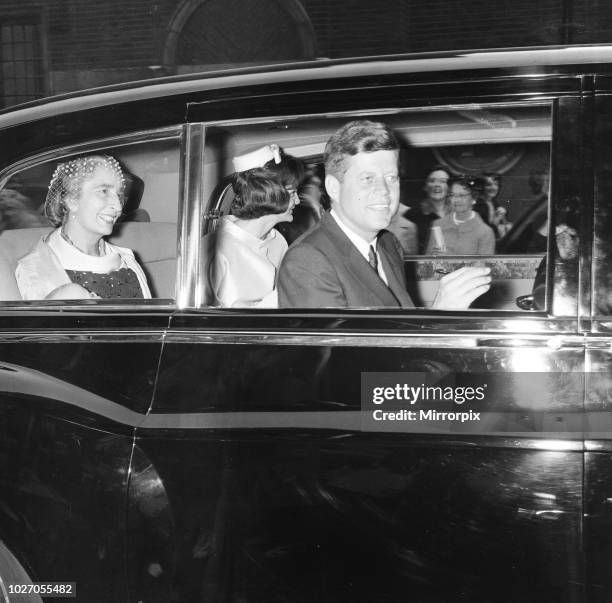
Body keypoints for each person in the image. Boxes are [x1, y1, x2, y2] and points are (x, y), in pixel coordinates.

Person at [277, 120, 491, 309]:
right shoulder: (308, 261)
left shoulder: (388, 244)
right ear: (334, 187)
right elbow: (340, 355)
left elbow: (399, 325)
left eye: (391, 178)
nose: (384, 191)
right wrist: (442, 310)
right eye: (368, 179)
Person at [15, 154, 151, 300]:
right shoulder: (38, 268)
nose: (118, 206)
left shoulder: (127, 260)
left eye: (119, 195)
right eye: (103, 191)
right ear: (71, 200)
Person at [207, 144, 300, 307]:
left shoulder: (278, 241)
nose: (298, 201)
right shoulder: (214, 250)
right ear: (269, 193)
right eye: (293, 193)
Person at [426, 175, 495, 255]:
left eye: (462, 196)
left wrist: (449, 260)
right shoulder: (438, 225)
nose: (456, 200)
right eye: (452, 195)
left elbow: (484, 266)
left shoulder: (485, 232)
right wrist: (433, 256)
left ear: (474, 198)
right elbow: (425, 264)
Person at [404, 164, 452, 253]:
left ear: (449, 188)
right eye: (432, 181)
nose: (437, 185)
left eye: (442, 181)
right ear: (425, 186)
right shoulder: (412, 215)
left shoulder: (458, 212)